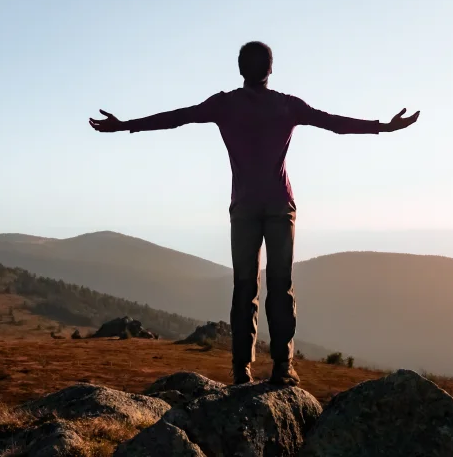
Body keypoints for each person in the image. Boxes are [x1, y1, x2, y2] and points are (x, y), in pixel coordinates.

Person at [89, 41, 420, 386]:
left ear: (240, 70)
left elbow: (177, 118)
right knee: (281, 286)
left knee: (244, 287)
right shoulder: (287, 106)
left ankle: (242, 370)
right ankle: (282, 366)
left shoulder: (225, 105)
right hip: (280, 206)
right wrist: (384, 127)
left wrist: (125, 125)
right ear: (271, 70)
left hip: (244, 208)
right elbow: (334, 123)